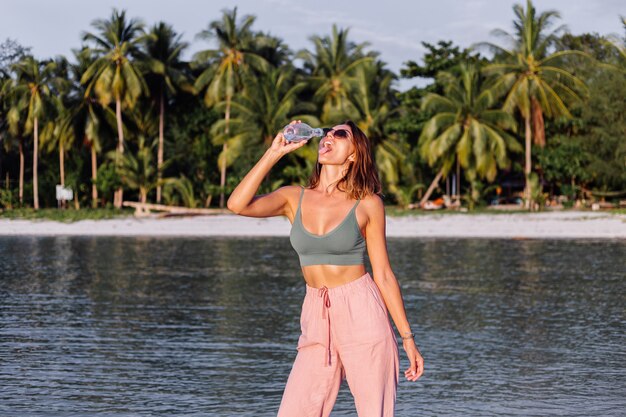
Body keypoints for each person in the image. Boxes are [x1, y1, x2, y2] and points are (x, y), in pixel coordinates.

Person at [226, 120, 424, 417]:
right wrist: (273, 153)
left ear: (354, 153)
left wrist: (408, 339)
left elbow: (383, 274)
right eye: (327, 132)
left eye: (340, 134)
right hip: (316, 313)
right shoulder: (293, 197)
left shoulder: (368, 203)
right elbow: (237, 205)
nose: (328, 136)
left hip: (362, 312)